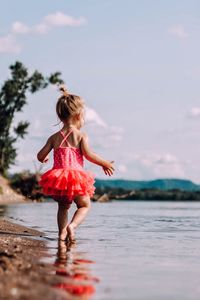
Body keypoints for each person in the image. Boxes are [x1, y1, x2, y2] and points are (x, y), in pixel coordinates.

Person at [37, 86, 115, 242]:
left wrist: (44, 159)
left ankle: (61, 235)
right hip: (76, 178)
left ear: (60, 116)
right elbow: (89, 155)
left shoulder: (53, 137)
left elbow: (40, 155)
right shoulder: (80, 135)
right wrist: (104, 163)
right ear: (79, 115)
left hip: (59, 178)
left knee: (63, 207)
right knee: (84, 205)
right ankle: (72, 227)